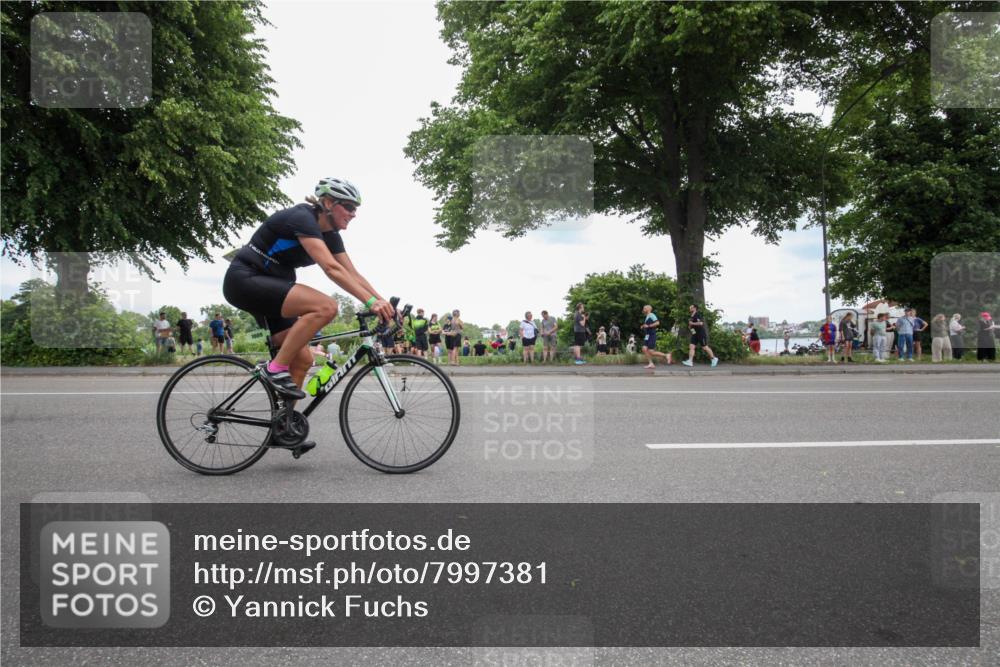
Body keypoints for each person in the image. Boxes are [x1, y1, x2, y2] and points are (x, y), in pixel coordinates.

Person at [222, 177, 393, 454]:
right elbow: (331, 269)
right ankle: (274, 369)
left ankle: (283, 427)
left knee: (302, 359)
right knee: (326, 306)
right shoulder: (303, 218)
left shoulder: (331, 235)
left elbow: (351, 273)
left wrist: (381, 300)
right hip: (246, 280)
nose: (353, 213)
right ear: (327, 203)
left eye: (355, 208)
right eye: (348, 206)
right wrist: (371, 302)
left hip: (271, 287)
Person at [640, 305, 672, 369]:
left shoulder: (652, 315)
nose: (643, 309)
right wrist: (643, 326)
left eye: (644, 308)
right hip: (647, 335)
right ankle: (651, 363)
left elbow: (657, 323)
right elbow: (648, 325)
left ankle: (666, 355)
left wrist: (648, 326)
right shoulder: (647, 316)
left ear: (649, 309)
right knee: (644, 348)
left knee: (651, 352)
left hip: (651, 335)